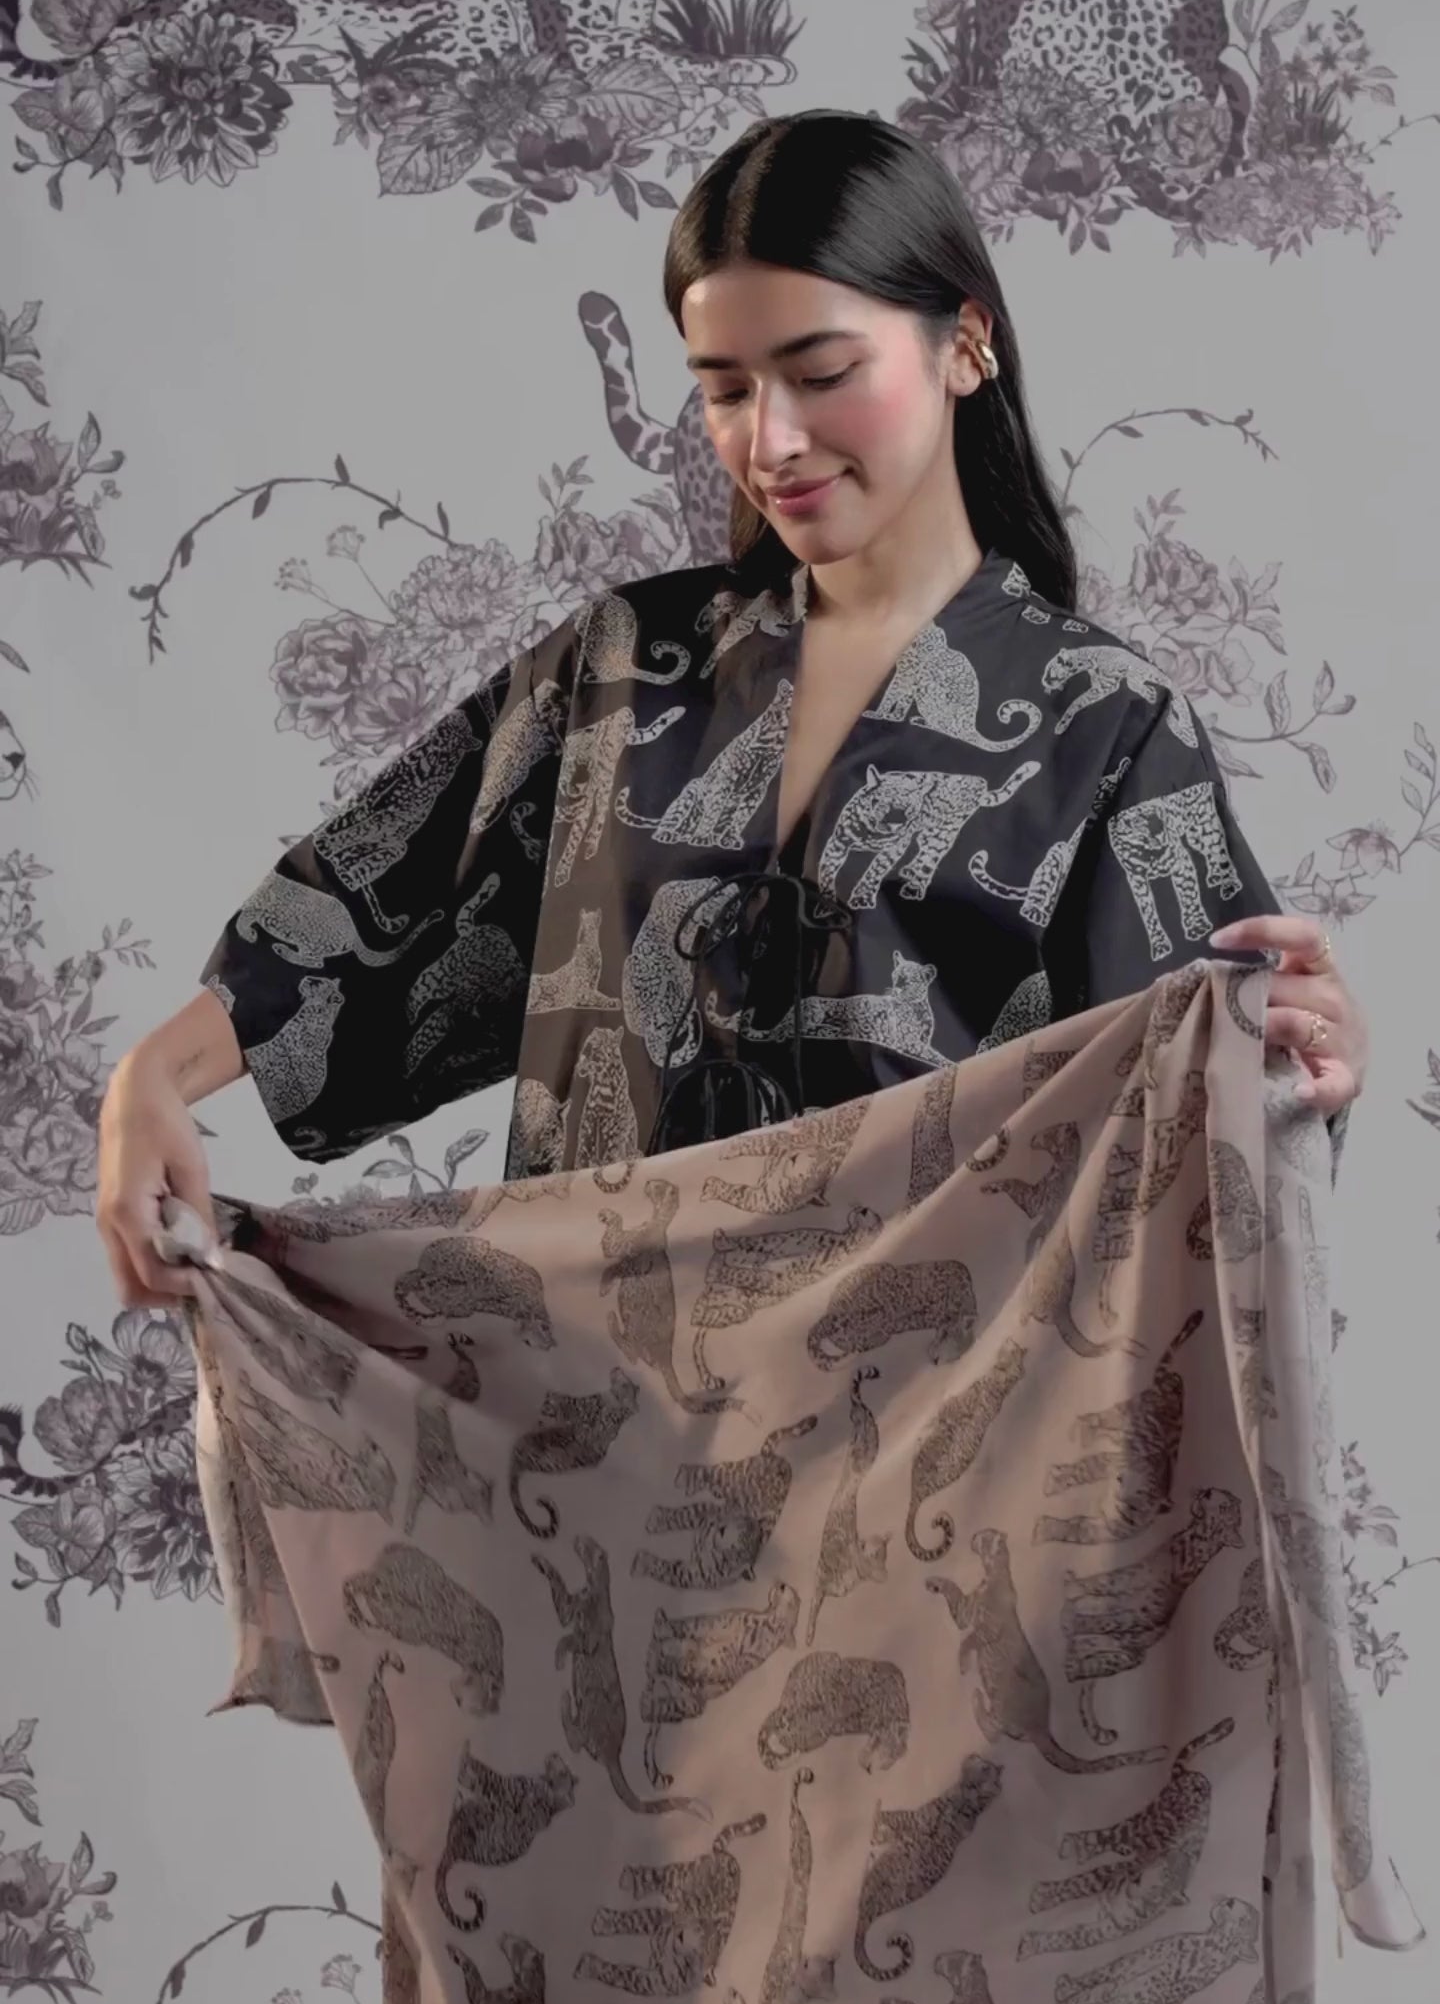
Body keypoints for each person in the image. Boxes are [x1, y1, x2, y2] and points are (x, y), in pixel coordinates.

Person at [96, 111, 1367, 1308]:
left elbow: (1194, 1145)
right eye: (725, 390)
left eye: (822, 373)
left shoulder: (1105, 727)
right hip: (592, 1409)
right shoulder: (622, 668)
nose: (773, 443)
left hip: (929, 1427)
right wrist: (151, 1079)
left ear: (965, 343)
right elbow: (371, 916)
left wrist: (1307, 1065)